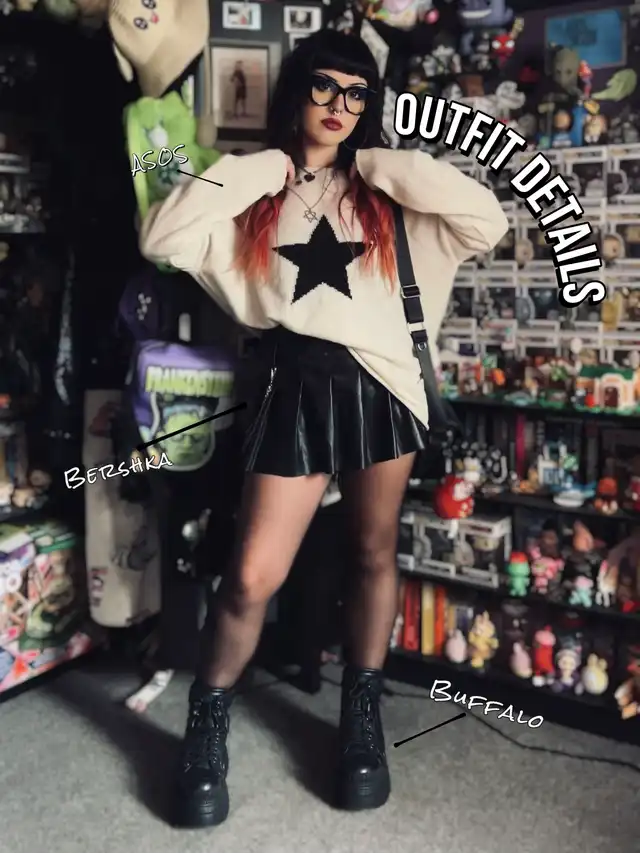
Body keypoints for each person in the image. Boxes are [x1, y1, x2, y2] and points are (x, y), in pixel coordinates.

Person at [140, 29, 507, 829]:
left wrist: (378, 162)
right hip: (292, 384)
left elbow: (488, 220)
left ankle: (361, 721)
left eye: (356, 92)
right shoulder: (255, 196)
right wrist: (264, 167)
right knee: (250, 576)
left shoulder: (387, 194)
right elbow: (159, 235)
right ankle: (207, 722)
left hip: (383, 385)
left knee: (373, 552)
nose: (339, 104)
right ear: (296, 91)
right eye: (324, 86)